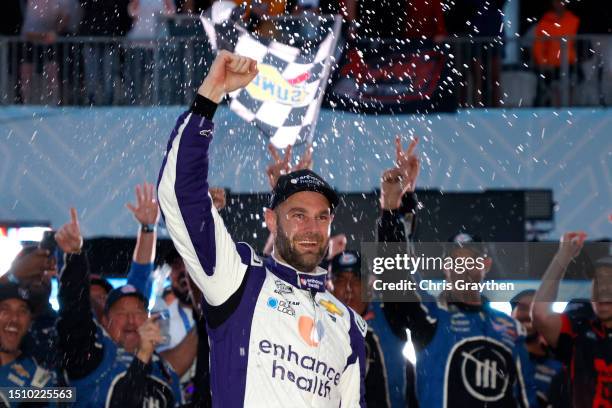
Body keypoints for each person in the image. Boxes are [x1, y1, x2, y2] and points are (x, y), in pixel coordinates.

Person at [157, 50, 367, 407]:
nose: (312, 228)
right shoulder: (239, 280)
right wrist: (211, 94)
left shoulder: (350, 325)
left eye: (322, 216)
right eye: (298, 214)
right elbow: (179, 194)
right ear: (271, 220)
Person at [379, 137, 537, 407]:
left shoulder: (510, 329)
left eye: (470, 261)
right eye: (456, 261)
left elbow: (525, 398)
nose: (463, 269)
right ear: (445, 267)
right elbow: (396, 274)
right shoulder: (430, 319)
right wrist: (394, 209)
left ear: (484, 266)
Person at [56, 208, 188, 407]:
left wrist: (148, 228)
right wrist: (75, 256)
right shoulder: (92, 355)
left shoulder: (165, 372)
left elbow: (141, 276)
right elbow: (74, 311)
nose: (131, 320)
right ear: (104, 321)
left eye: (138, 313)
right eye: (121, 313)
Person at [532, 233, 612, 407]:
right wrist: (563, 256)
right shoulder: (581, 328)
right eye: (597, 282)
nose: (603, 288)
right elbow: (541, 314)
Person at [329, 250, 391, 407]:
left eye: (356, 280)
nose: (348, 289)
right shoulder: (320, 328)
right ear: (330, 288)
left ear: (369, 288)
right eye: (341, 281)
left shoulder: (389, 320)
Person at [0, 283, 56, 404]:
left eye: (22, 311)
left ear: (30, 321)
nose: (14, 318)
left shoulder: (39, 382)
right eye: (5, 309)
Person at [510, 289, 564, 407]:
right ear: (511, 314)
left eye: (535, 310)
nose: (529, 315)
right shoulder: (497, 356)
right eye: (523, 308)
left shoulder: (561, 365)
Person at [532, 0, 580, 106]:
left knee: (571, 87)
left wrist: (577, 60)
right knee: (554, 90)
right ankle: (556, 112)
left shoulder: (574, 21)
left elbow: (578, 43)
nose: (559, 3)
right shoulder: (544, 23)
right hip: (551, 65)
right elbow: (538, 46)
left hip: (569, 63)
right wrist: (542, 62)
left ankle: (569, 111)